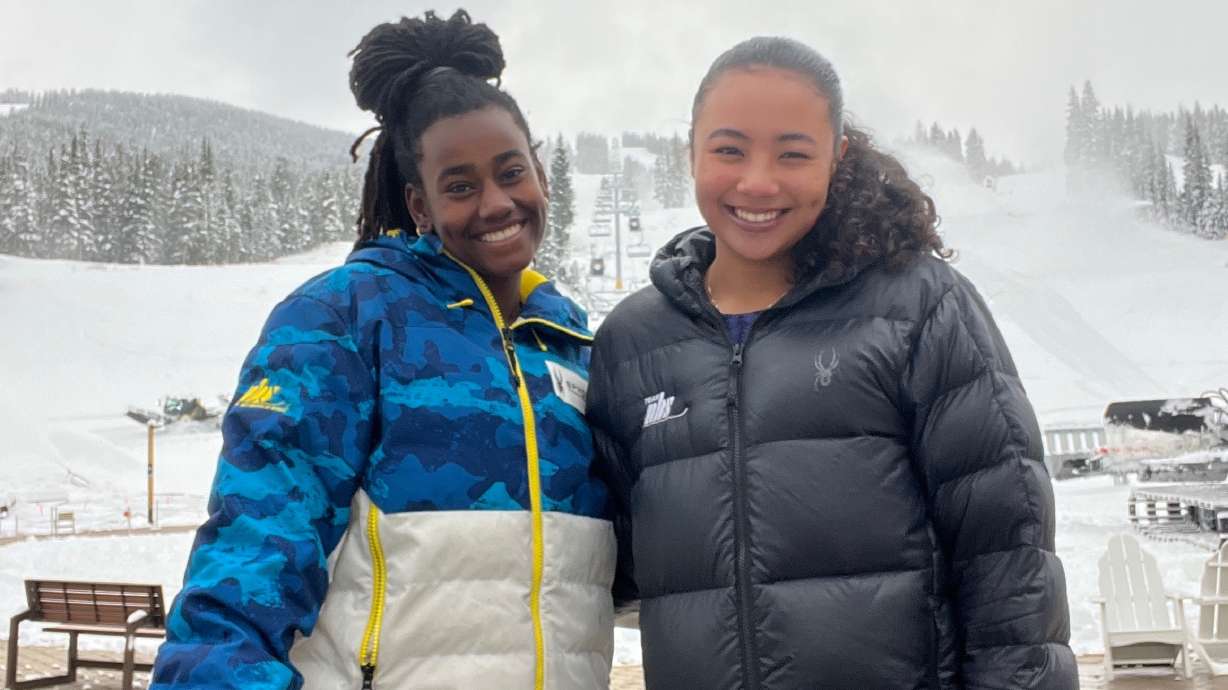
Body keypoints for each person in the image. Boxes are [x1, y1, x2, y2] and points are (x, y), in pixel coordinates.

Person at [588, 37, 1077, 689]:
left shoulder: (916, 306)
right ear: (692, 150)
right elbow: (608, 559)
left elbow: (1006, 554)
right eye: (729, 149)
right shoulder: (633, 341)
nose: (757, 182)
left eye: (793, 153)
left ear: (836, 157)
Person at [150, 10, 615, 689]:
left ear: (540, 172)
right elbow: (254, 547)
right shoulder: (343, 316)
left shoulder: (571, 338)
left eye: (511, 171)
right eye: (459, 185)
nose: (496, 202)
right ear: (418, 205)